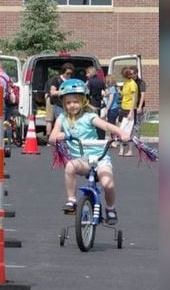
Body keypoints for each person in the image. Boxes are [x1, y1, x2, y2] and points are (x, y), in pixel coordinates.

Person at [48, 78, 131, 224]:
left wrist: (121, 133)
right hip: (82, 160)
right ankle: (72, 201)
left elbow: (106, 126)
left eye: (76, 101)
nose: (72, 105)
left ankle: (111, 209)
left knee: (108, 184)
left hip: (99, 158)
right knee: (70, 166)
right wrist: (57, 137)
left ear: (83, 101)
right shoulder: (62, 118)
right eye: (68, 103)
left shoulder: (89, 116)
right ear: (63, 104)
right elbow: (53, 135)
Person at [44, 63, 74, 137]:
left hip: (68, 104)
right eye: (67, 73)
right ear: (63, 72)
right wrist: (63, 91)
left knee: (69, 121)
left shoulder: (70, 81)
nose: (69, 75)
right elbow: (52, 92)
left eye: (71, 73)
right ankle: (55, 137)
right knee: (60, 121)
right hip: (58, 104)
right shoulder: (56, 79)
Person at [118, 67, 138, 156]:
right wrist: (118, 90)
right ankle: (121, 149)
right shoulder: (125, 83)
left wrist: (131, 112)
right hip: (123, 107)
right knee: (121, 129)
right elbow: (124, 94)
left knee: (128, 130)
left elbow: (134, 99)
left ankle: (130, 150)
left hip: (129, 109)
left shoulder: (132, 84)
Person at [84, 66, 106, 139]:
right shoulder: (101, 81)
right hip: (98, 102)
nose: (86, 75)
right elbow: (105, 92)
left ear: (90, 73)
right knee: (98, 119)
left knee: (91, 119)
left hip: (91, 101)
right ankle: (101, 136)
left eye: (87, 73)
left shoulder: (90, 82)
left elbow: (87, 92)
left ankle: (92, 136)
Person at [129, 65, 147, 137]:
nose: (130, 75)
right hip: (130, 106)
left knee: (137, 125)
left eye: (132, 73)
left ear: (136, 73)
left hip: (138, 105)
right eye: (129, 73)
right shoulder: (129, 82)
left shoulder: (141, 82)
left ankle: (137, 141)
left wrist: (139, 107)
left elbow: (143, 95)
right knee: (129, 124)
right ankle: (129, 140)